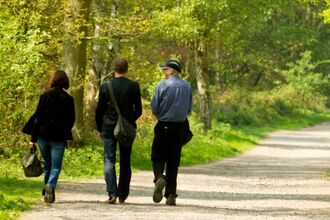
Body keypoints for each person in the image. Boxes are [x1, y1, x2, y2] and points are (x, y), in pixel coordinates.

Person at [23, 70, 75, 203]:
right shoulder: (69, 99)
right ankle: (50, 186)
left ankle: (48, 190)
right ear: (65, 82)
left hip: (43, 137)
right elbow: (71, 119)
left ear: (53, 80)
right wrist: (65, 130)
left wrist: (32, 139)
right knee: (56, 166)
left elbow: (37, 119)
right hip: (59, 138)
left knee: (47, 165)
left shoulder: (45, 96)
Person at [95, 58, 142, 204]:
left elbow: (99, 111)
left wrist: (99, 128)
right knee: (125, 161)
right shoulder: (133, 86)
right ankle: (123, 194)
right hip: (126, 129)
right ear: (127, 69)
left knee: (109, 160)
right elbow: (139, 110)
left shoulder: (105, 87)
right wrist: (129, 120)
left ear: (114, 69)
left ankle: (112, 193)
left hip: (108, 128)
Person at [151, 59, 193, 205]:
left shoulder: (162, 85)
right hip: (179, 127)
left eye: (165, 69)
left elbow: (154, 108)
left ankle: (159, 178)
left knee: (157, 156)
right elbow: (189, 109)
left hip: (163, 125)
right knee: (173, 161)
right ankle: (170, 196)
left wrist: (161, 115)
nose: (164, 72)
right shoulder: (187, 86)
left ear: (172, 71)